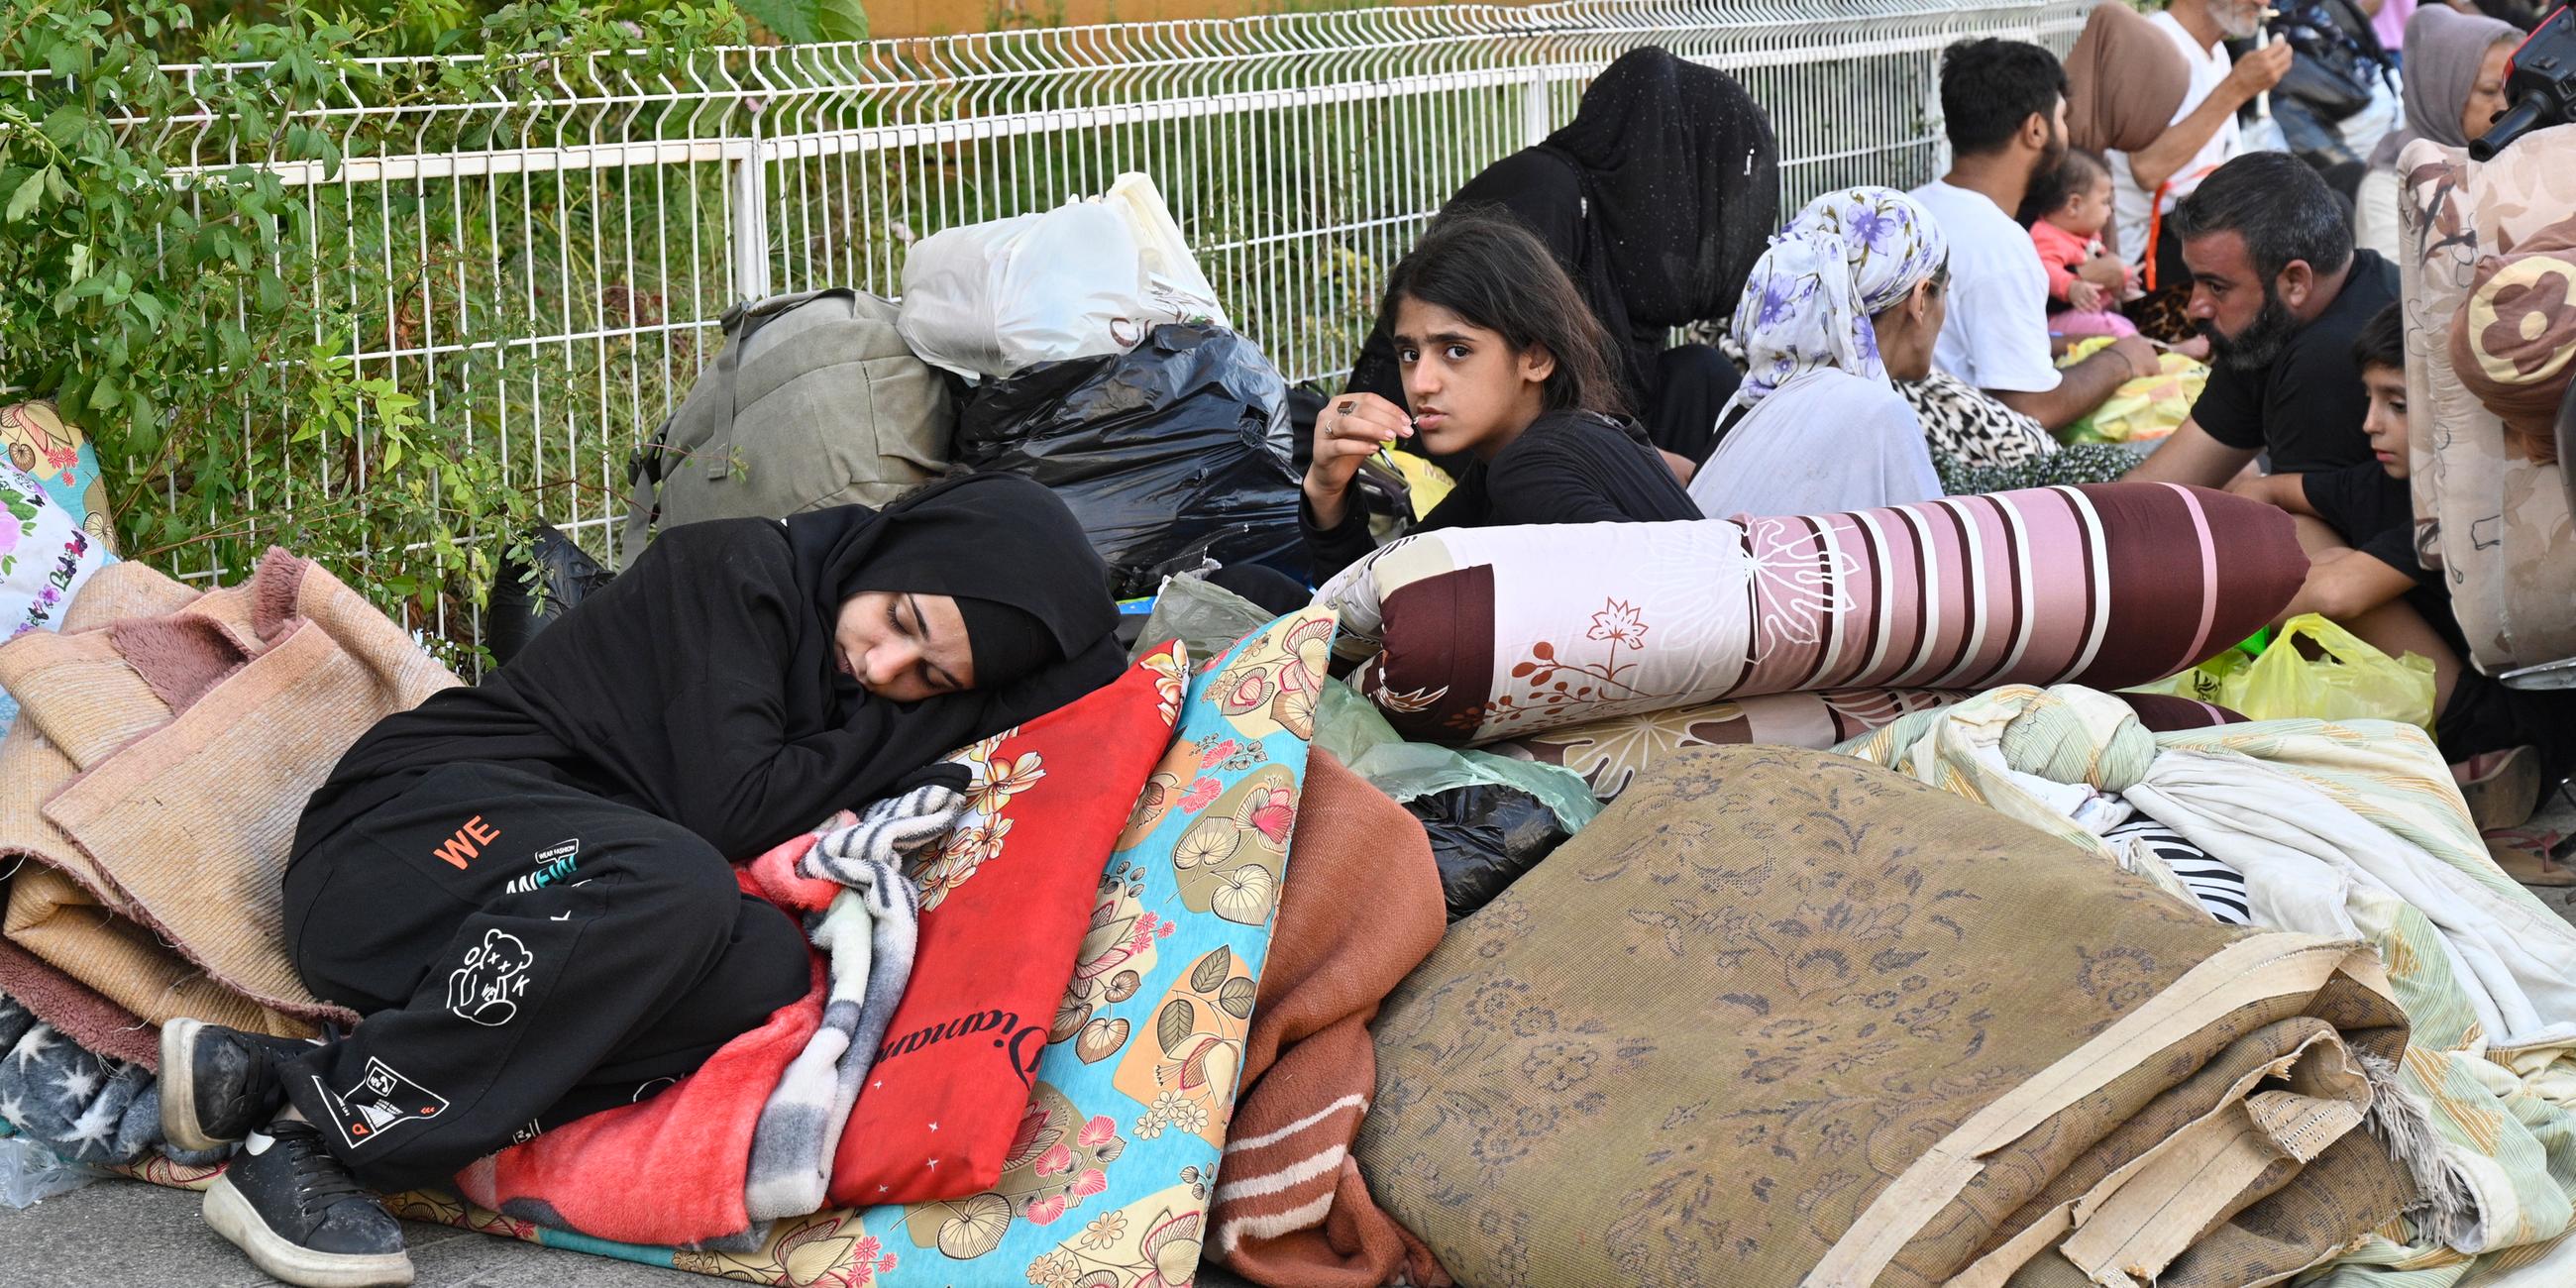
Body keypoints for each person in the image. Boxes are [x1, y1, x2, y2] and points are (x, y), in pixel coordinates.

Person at [159, 475, 1124, 1287]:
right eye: (900, 618)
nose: (881, 665)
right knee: (684, 881)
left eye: (931, 679)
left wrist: (982, 689)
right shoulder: (739, 571)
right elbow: (737, 809)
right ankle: (312, 1138)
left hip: (542, 902)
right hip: (400, 845)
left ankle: (279, 1083)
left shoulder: (848, 669)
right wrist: (933, 719)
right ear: (897, 549)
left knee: (762, 970)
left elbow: (1088, 681)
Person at [1342, 46, 1778, 466]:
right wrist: (1638, 464)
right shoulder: (1541, 194)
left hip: (1582, 432)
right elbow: (1500, 389)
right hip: (1465, 451)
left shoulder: (1620, 225)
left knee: (1701, 376)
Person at [2229, 303, 2573, 824]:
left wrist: (2211, 611)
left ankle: (2469, 770)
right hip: (2435, 682)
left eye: (2397, 405)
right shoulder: (2379, 481)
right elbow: (2267, 491)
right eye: (2369, 398)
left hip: (2504, 721)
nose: (2370, 423)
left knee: (2339, 591)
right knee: (2300, 538)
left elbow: (2338, 596)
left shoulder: (2471, 504)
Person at [1303, 212, 1701, 579]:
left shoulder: (1530, 466)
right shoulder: (1511, 460)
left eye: (1456, 351)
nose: (1421, 382)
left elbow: (1666, 594)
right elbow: (1375, 601)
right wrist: (1327, 488)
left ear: (1536, 357)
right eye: (1410, 354)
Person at [1909, 38, 2161, 433]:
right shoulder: (2002, 247)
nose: (2067, 131)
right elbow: (2030, 411)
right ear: (2037, 129)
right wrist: (2122, 359)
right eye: (2063, 118)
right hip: (1962, 475)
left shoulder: (1910, 208)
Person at [2124, 152, 2403, 486]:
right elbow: (2158, 487)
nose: (2195, 307)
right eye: (2196, 281)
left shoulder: (2329, 357)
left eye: (2216, 286)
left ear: (2296, 282)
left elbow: (2302, 530)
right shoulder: (2268, 323)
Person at [1690, 187, 1949, 519]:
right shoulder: (1876, 413)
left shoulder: (1753, 403)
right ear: (1921, 298)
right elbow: (1937, 555)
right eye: (1946, 292)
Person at [2100, 0, 2294, 345]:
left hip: (2197, 229)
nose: (2265, 3)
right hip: (2150, 259)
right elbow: (2147, 169)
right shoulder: (2153, 44)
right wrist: (2237, 88)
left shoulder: (2216, 51)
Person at [2355, 6, 2522, 262]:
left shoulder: (2527, 159)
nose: (2505, 105)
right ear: (2440, 94)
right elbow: (2391, 294)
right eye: (2489, 91)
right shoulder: (2392, 187)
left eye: (2512, 89)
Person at [2028, 149, 2145, 342]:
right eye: (2105, 202)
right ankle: (2159, 353)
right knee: (2115, 330)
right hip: (2053, 321)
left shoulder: (2085, 236)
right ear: (2074, 205)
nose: (2111, 209)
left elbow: (2101, 271)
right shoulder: (2044, 234)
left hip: (2082, 315)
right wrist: (2070, 287)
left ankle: (2156, 352)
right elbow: (2043, 269)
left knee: (2123, 325)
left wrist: (2122, 281)